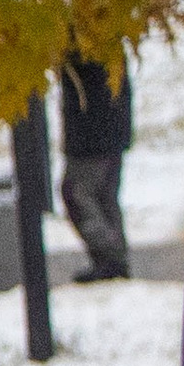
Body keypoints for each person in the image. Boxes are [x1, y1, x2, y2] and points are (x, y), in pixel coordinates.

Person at [57, 51, 133, 281]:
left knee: (78, 193)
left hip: (92, 133)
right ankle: (114, 259)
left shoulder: (83, 35)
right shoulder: (107, 34)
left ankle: (110, 258)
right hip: (106, 128)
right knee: (102, 196)